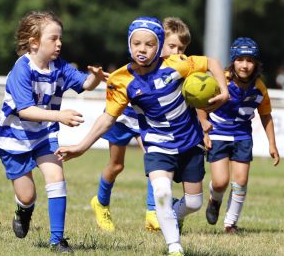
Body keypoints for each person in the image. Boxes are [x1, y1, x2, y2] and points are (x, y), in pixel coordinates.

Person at [55, 16, 229, 256]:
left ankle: (173, 216)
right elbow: (107, 118)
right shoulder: (121, 79)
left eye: (149, 44)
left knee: (194, 202)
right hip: (157, 144)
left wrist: (225, 91)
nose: (142, 49)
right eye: (136, 44)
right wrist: (81, 146)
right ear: (129, 44)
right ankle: (174, 247)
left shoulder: (176, 64)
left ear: (159, 45)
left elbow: (212, 63)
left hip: (190, 142)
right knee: (161, 192)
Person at [0, 10, 105, 253]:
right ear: (34, 42)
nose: (59, 43)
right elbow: (26, 111)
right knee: (27, 195)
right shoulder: (22, 69)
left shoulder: (59, 66)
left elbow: (84, 84)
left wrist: (95, 79)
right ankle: (23, 210)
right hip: (14, 139)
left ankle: (57, 240)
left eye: (60, 38)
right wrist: (59, 116)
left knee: (57, 179)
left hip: (44, 136)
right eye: (53, 38)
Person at [90, 17, 192, 232]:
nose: (176, 52)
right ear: (160, 42)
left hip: (148, 122)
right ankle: (101, 202)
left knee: (155, 160)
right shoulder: (137, 67)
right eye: (171, 46)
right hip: (123, 117)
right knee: (116, 165)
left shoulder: (176, 69)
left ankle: (152, 213)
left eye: (180, 48)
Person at [199, 37, 281, 233]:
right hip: (218, 133)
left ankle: (230, 224)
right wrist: (204, 129)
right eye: (240, 59)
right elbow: (202, 104)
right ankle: (214, 200)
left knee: (241, 181)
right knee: (220, 182)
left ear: (256, 63)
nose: (245, 65)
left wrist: (272, 144)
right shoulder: (221, 80)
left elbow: (265, 115)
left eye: (250, 60)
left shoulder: (259, 87)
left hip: (242, 136)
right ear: (233, 60)